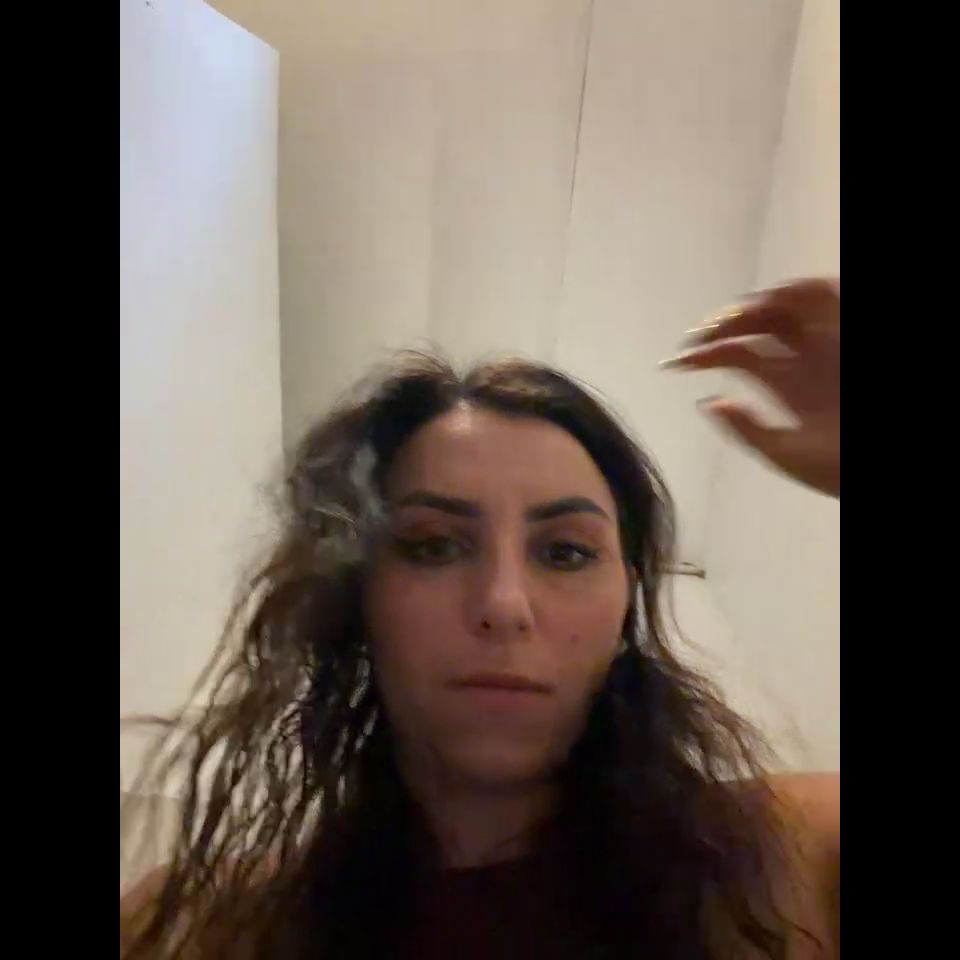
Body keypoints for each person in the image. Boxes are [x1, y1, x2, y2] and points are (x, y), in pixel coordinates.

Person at [120, 278, 840, 959]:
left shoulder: (786, 860)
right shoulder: (199, 928)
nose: (503, 604)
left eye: (565, 552)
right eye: (432, 546)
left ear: (625, 608)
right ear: (356, 599)